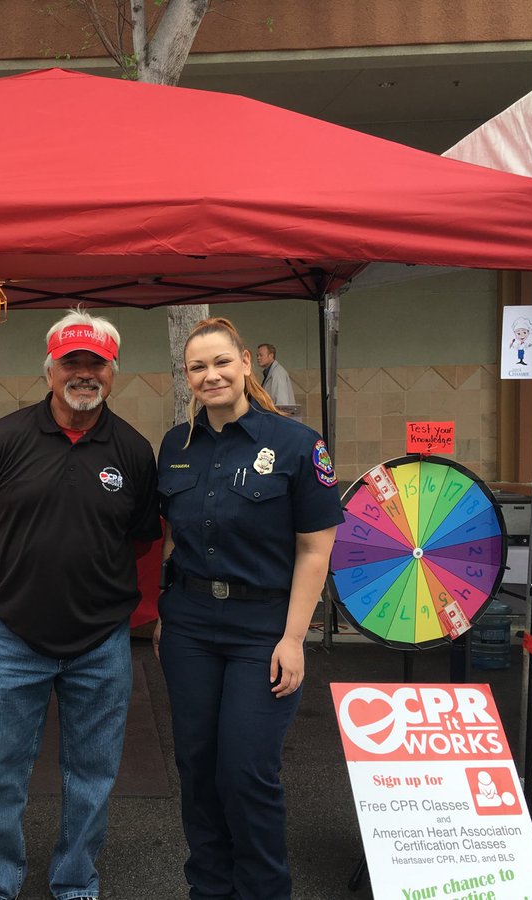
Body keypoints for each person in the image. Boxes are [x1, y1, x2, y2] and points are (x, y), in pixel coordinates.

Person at [0, 307, 162, 900]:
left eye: (95, 363)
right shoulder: (1, 440)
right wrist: (16, 578)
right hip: (14, 635)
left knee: (92, 777)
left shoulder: (133, 450)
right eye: (72, 362)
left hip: (101, 642)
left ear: (113, 372)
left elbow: (144, 539)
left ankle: (75, 882)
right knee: (1, 776)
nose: (84, 374)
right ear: (50, 369)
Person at [154, 317, 341, 900]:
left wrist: (294, 638)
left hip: (262, 627)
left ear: (245, 365)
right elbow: (169, 536)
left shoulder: (296, 443)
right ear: (187, 378)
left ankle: (262, 890)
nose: (210, 376)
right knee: (198, 766)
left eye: (221, 363)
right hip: (188, 625)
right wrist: (164, 611)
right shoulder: (175, 445)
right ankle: (209, 888)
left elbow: (316, 548)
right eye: (197, 367)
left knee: (246, 770)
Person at [255, 342, 296, 407]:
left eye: (261, 355)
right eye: (257, 355)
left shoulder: (278, 373)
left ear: (271, 355)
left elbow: (282, 403)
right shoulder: (271, 372)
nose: (258, 358)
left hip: (278, 416)